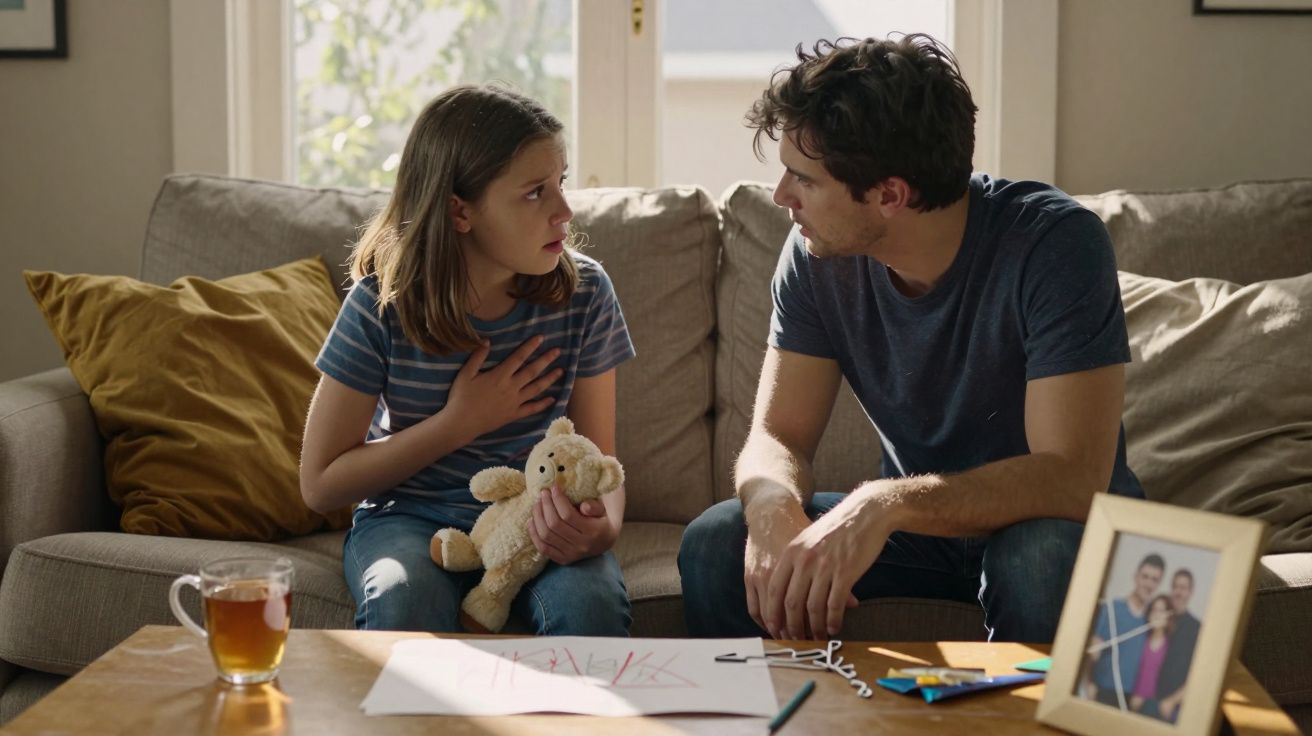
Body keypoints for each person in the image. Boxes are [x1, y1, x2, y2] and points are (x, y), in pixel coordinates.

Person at [679, 33, 1144, 644]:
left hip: (1051, 527)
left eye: (804, 180)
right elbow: (778, 435)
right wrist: (770, 510)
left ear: (890, 195)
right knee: (717, 541)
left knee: (1037, 555)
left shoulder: (1054, 244)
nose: (781, 197)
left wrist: (883, 503)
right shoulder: (815, 255)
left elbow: (1070, 477)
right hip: (923, 536)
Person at [299, 84, 636, 635]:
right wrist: (460, 423)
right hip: (408, 520)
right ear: (460, 211)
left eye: (561, 183)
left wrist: (603, 528)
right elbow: (320, 484)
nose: (565, 211)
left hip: (538, 519)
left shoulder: (585, 294)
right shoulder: (381, 307)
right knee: (404, 603)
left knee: (590, 610)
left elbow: (602, 461)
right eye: (534, 193)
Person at [1083, 554, 1165, 707]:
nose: (1148, 583)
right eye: (1145, 577)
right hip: (1102, 692)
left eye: (1154, 580)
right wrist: (1088, 685)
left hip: (1131, 700)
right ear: (1136, 577)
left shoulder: (1152, 620)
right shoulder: (1110, 608)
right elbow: (1090, 653)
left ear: (1159, 584)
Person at [1155, 569, 1202, 722]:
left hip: (1174, 709)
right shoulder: (1159, 621)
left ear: (1191, 592)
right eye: (1175, 587)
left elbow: (1199, 674)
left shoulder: (1198, 628)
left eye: (1183, 588)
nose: (1178, 592)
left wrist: (1172, 702)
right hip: (1149, 702)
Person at [1130, 594, 1175, 716]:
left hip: (1154, 707)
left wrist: (1145, 699)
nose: (1156, 614)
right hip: (1130, 701)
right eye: (1154, 610)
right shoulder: (1140, 641)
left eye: (1161, 610)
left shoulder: (1171, 648)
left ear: (1168, 616)